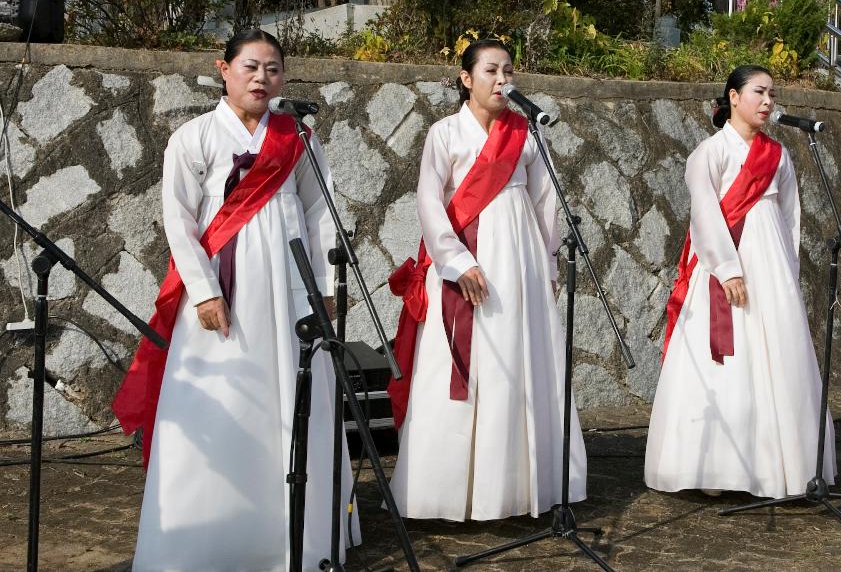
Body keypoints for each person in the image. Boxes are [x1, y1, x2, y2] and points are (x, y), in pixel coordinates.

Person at [115, 28, 360, 571]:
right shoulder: (194, 136)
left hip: (291, 284)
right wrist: (203, 291)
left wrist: (324, 287)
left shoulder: (299, 136)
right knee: (224, 399)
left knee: (295, 400)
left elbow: (320, 211)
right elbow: (179, 222)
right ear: (222, 69)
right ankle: (207, 538)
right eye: (250, 66)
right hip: (224, 286)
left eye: (273, 69)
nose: (262, 78)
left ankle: (300, 537)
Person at [387, 39, 585, 520]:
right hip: (467, 258)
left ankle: (522, 486)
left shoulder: (527, 132)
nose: (502, 80)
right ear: (465, 78)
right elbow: (429, 203)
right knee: (461, 365)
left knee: (523, 360)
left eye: (508, 71)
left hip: (521, 258)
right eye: (491, 70)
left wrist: (550, 262)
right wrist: (456, 263)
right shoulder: (444, 133)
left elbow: (546, 202)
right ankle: (450, 490)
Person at [645, 65, 834, 498]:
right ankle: (714, 468)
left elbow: (791, 216)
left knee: (776, 356)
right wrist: (727, 269)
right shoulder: (708, 154)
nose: (767, 102)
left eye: (771, 94)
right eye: (758, 92)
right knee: (724, 363)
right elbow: (705, 216)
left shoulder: (779, 155)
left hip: (770, 261)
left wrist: (786, 266)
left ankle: (775, 463)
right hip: (724, 263)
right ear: (733, 96)